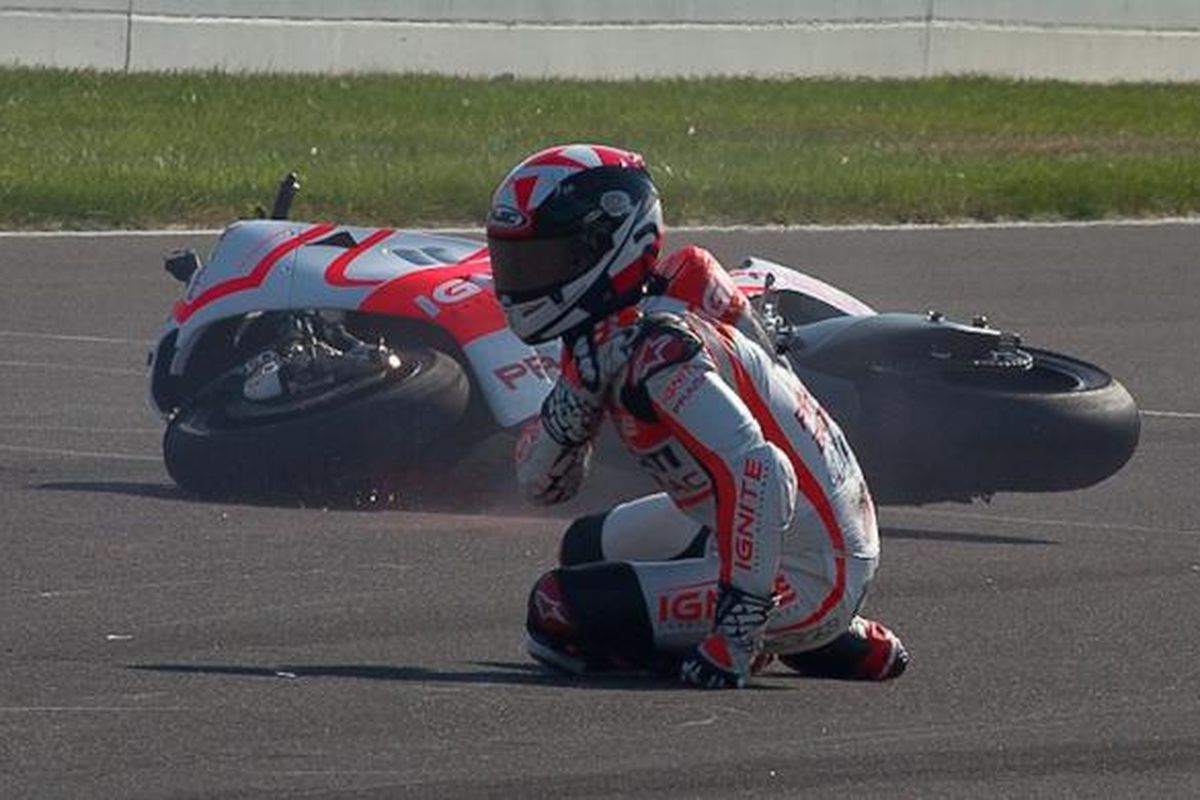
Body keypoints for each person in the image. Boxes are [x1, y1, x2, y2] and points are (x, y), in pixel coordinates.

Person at [487, 143, 908, 689]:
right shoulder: (609, 330)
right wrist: (573, 403)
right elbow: (541, 488)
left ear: (604, 250)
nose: (521, 282)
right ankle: (831, 641)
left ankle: (797, 625)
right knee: (582, 548)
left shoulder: (661, 354)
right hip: (747, 520)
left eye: (544, 260)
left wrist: (733, 636)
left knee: (556, 614)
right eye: (515, 261)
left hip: (805, 555)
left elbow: (762, 470)